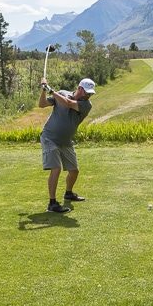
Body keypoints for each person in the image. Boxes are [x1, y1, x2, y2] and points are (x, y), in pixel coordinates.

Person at [38, 76, 96, 213]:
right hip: (50, 137)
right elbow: (42, 104)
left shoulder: (86, 105)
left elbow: (69, 103)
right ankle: (52, 204)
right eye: (86, 92)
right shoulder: (62, 93)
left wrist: (51, 90)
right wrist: (43, 90)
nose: (88, 95)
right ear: (79, 88)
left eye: (90, 93)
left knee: (74, 170)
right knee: (56, 169)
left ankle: (68, 194)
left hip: (66, 141)